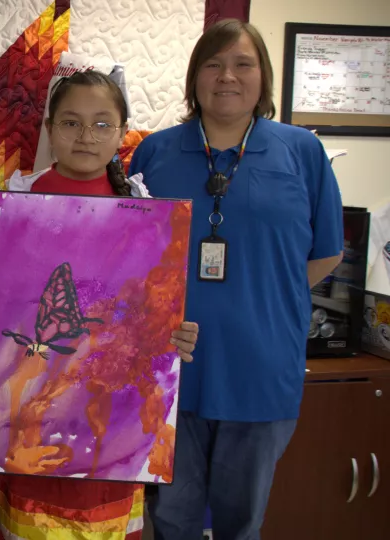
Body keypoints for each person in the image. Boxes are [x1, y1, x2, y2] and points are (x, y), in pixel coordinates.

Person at [0, 69, 199, 540]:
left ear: (122, 133)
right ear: (50, 129)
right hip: (31, 414)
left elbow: (151, 314)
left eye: (102, 124)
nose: (87, 136)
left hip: (109, 416)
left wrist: (174, 336)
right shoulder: (16, 201)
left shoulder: (144, 209)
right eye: (71, 122)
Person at [127, 19, 344, 540]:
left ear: (263, 78)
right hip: (171, 371)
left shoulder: (301, 152)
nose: (228, 76)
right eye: (213, 63)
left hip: (260, 372)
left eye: (243, 64)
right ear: (194, 77)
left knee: (241, 522)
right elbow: (129, 260)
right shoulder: (154, 153)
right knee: (173, 518)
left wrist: (264, 298)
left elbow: (326, 255)